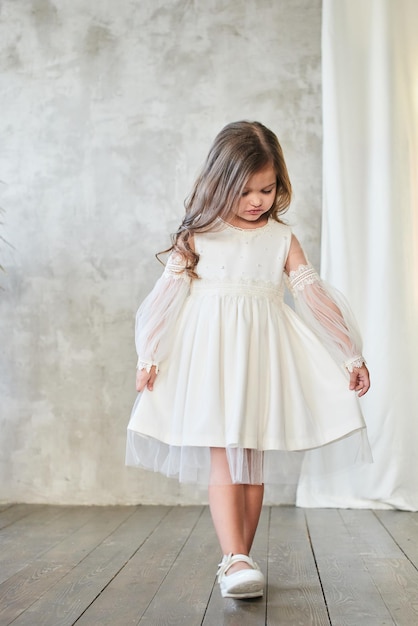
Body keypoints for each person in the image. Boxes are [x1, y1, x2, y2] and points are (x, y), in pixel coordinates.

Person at [126, 121, 370, 600]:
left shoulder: (280, 238)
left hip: (261, 356)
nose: (257, 200)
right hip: (212, 358)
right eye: (245, 191)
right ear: (220, 182)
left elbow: (314, 297)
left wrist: (349, 353)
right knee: (225, 457)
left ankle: (240, 559)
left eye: (268, 188)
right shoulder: (199, 235)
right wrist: (149, 353)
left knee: (253, 461)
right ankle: (234, 557)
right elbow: (166, 295)